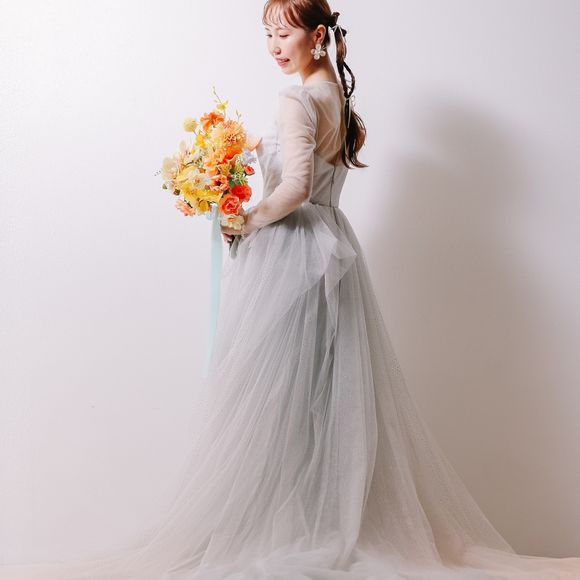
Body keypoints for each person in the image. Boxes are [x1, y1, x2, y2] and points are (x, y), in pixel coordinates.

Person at [2, 1, 580, 579]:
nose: (274, 46)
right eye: (267, 35)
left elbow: (298, 185)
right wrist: (240, 149)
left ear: (317, 35)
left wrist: (247, 220)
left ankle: (278, 529)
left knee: (275, 393)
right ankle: (318, 523)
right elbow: (310, 162)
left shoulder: (295, 98)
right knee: (317, 394)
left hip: (293, 250)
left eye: (284, 34)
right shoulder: (335, 96)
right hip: (334, 245)